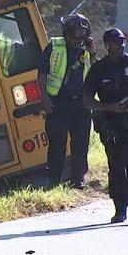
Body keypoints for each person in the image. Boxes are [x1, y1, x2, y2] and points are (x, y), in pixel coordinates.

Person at [83, 28, 128, 223]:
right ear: (107, 45)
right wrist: (109, 107)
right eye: (114, 43)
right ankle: (120, 209)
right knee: (116, 166)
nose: (119, 46)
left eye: (121, 42)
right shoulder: (98, 69)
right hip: (110, 126)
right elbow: (87, 100)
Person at [37, 13, 96, 188]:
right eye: (74, 34)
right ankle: (55, 180)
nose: (77, 39)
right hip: (58, 103)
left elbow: (96, 71)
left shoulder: (87, 49)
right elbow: (42, 74)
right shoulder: (54, 46)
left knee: (80, 143)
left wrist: (93, 52)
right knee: (57, 144)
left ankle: (78, 179)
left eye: (81, 34)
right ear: (67, 33)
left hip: (81, 104)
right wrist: (45, 99)